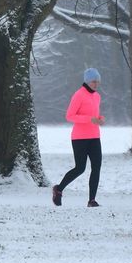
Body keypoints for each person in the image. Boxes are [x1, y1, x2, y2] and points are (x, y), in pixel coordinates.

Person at [52, 68, 104, 207]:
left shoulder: (97, 96)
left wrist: (99, 119)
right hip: (80, 138)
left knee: (96, 167)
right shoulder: (78, 95)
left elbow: (95, 115)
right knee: (80, 168)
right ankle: (59, 189)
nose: (96, 84)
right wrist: (89, 119)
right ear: (87, 81)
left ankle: (91, 200)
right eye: (94, 81)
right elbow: (70, 116)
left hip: (94, 137)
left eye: (98, 82)